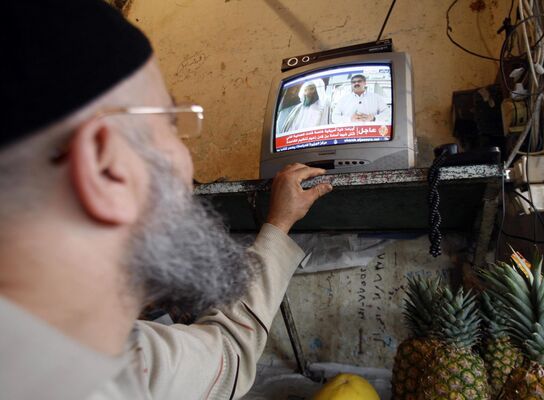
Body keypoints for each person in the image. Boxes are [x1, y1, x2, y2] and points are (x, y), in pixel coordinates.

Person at [0, 1, 332, 399]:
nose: (186, 160)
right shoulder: (135, 368)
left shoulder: (126, 358)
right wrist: (278, 225)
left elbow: (224, 354)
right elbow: (227, 355)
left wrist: (279, 225)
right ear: (109, 167)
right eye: (171, 125)